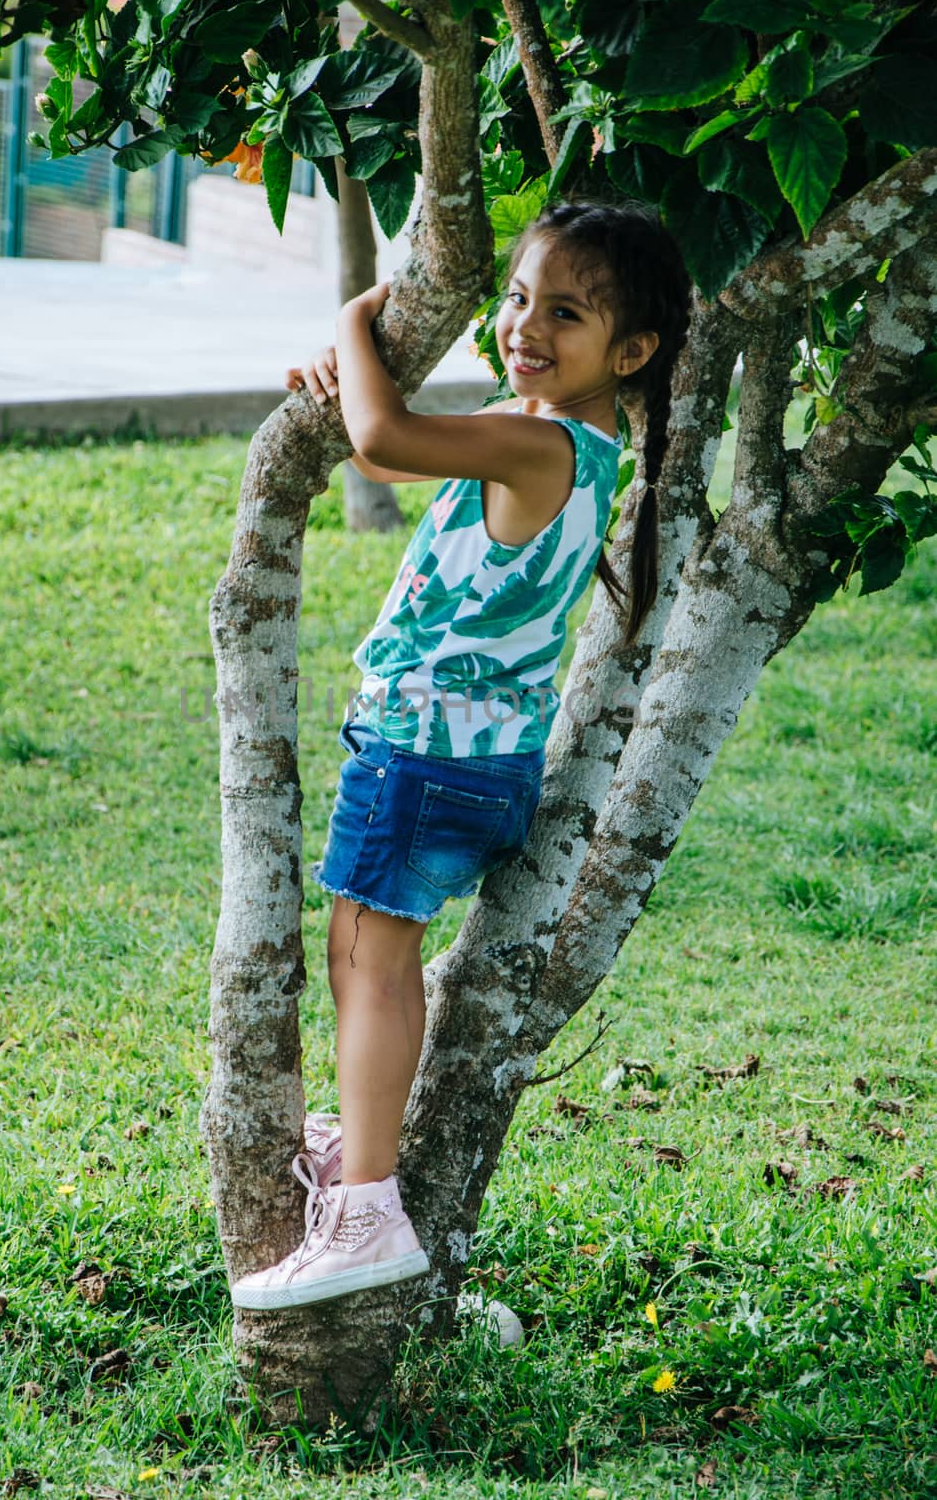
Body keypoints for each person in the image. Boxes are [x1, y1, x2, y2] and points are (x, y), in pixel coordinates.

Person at [230, 200, 692, 1311]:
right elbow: (387, 422)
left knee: (367, 959)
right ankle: (368, 1136)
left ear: (630, 353)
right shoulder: (564, 441)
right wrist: (350, 380)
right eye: (519, 298)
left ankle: (367, 1210)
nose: (526, 325)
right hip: (484, 764)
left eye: (566, 314)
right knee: (377, 959)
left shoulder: (536, 441)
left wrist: (353, 317)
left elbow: (386, 445)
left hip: (422, 753)